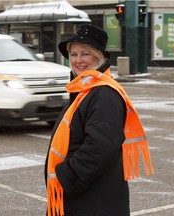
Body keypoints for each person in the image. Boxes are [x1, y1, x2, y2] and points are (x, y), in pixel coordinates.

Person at [44, 24, 154, 216]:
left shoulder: (103, 93)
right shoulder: (82, 90)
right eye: (74, 54)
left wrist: (68, 176)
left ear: (98, 57)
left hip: (93, 201)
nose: (78, 60)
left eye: (85, 54)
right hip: (87, 198)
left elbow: (101, 146)